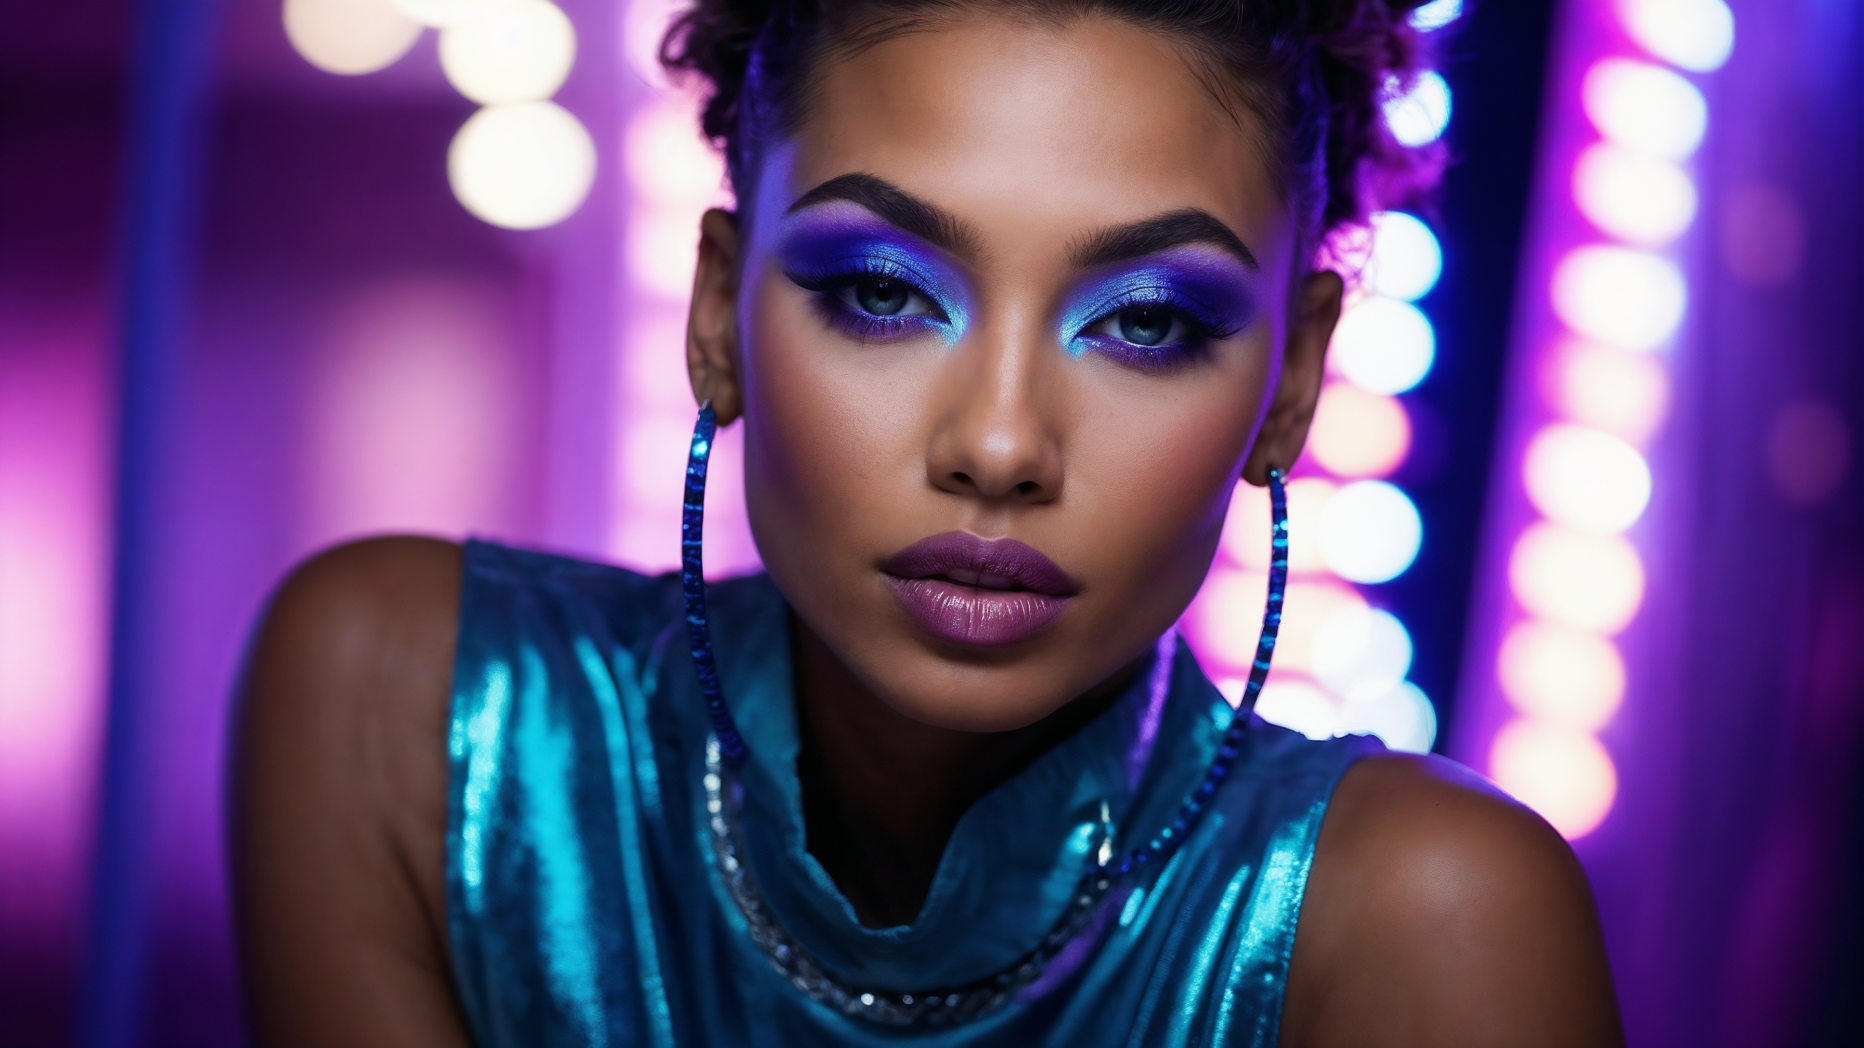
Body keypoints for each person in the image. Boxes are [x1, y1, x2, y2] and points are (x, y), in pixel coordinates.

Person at [231, 1, 1623, 1045]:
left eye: (1144, 321)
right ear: (720, 313)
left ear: (1294, 379)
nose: (1001, 445)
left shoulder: (1422, 923)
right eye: (885, 292)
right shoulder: (415, 712)